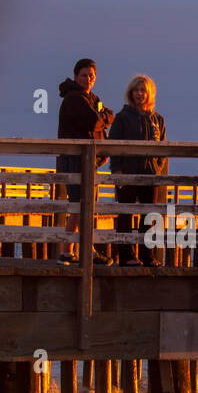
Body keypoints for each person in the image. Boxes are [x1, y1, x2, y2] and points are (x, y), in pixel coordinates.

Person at [56, 57, 114, 263]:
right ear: (75, 76)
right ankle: (75, 251)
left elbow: (108, 114)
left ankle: (70, 251)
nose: (87, 79)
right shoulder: (74, 98)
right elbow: (95, 120)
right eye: (84, 75)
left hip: (88, 160)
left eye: (91, 75)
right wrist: (103, 117)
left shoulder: (92, 98)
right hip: (74, 159)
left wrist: (103, 118)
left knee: (83, 206)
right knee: (80, 205)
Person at [107, 74, 167, 265]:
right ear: (130, 93)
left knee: (148, 217)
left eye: (143, 90)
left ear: (149, 93)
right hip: (127, 173)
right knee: (125, 215)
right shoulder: (122, 117)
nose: (139, 94)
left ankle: (147, 256)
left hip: (151, 175)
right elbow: (114, 146)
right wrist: (117, 171)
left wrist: (157, 167)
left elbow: (163, 147)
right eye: (136, 90)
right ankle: (126, 256)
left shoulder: (157, 119)